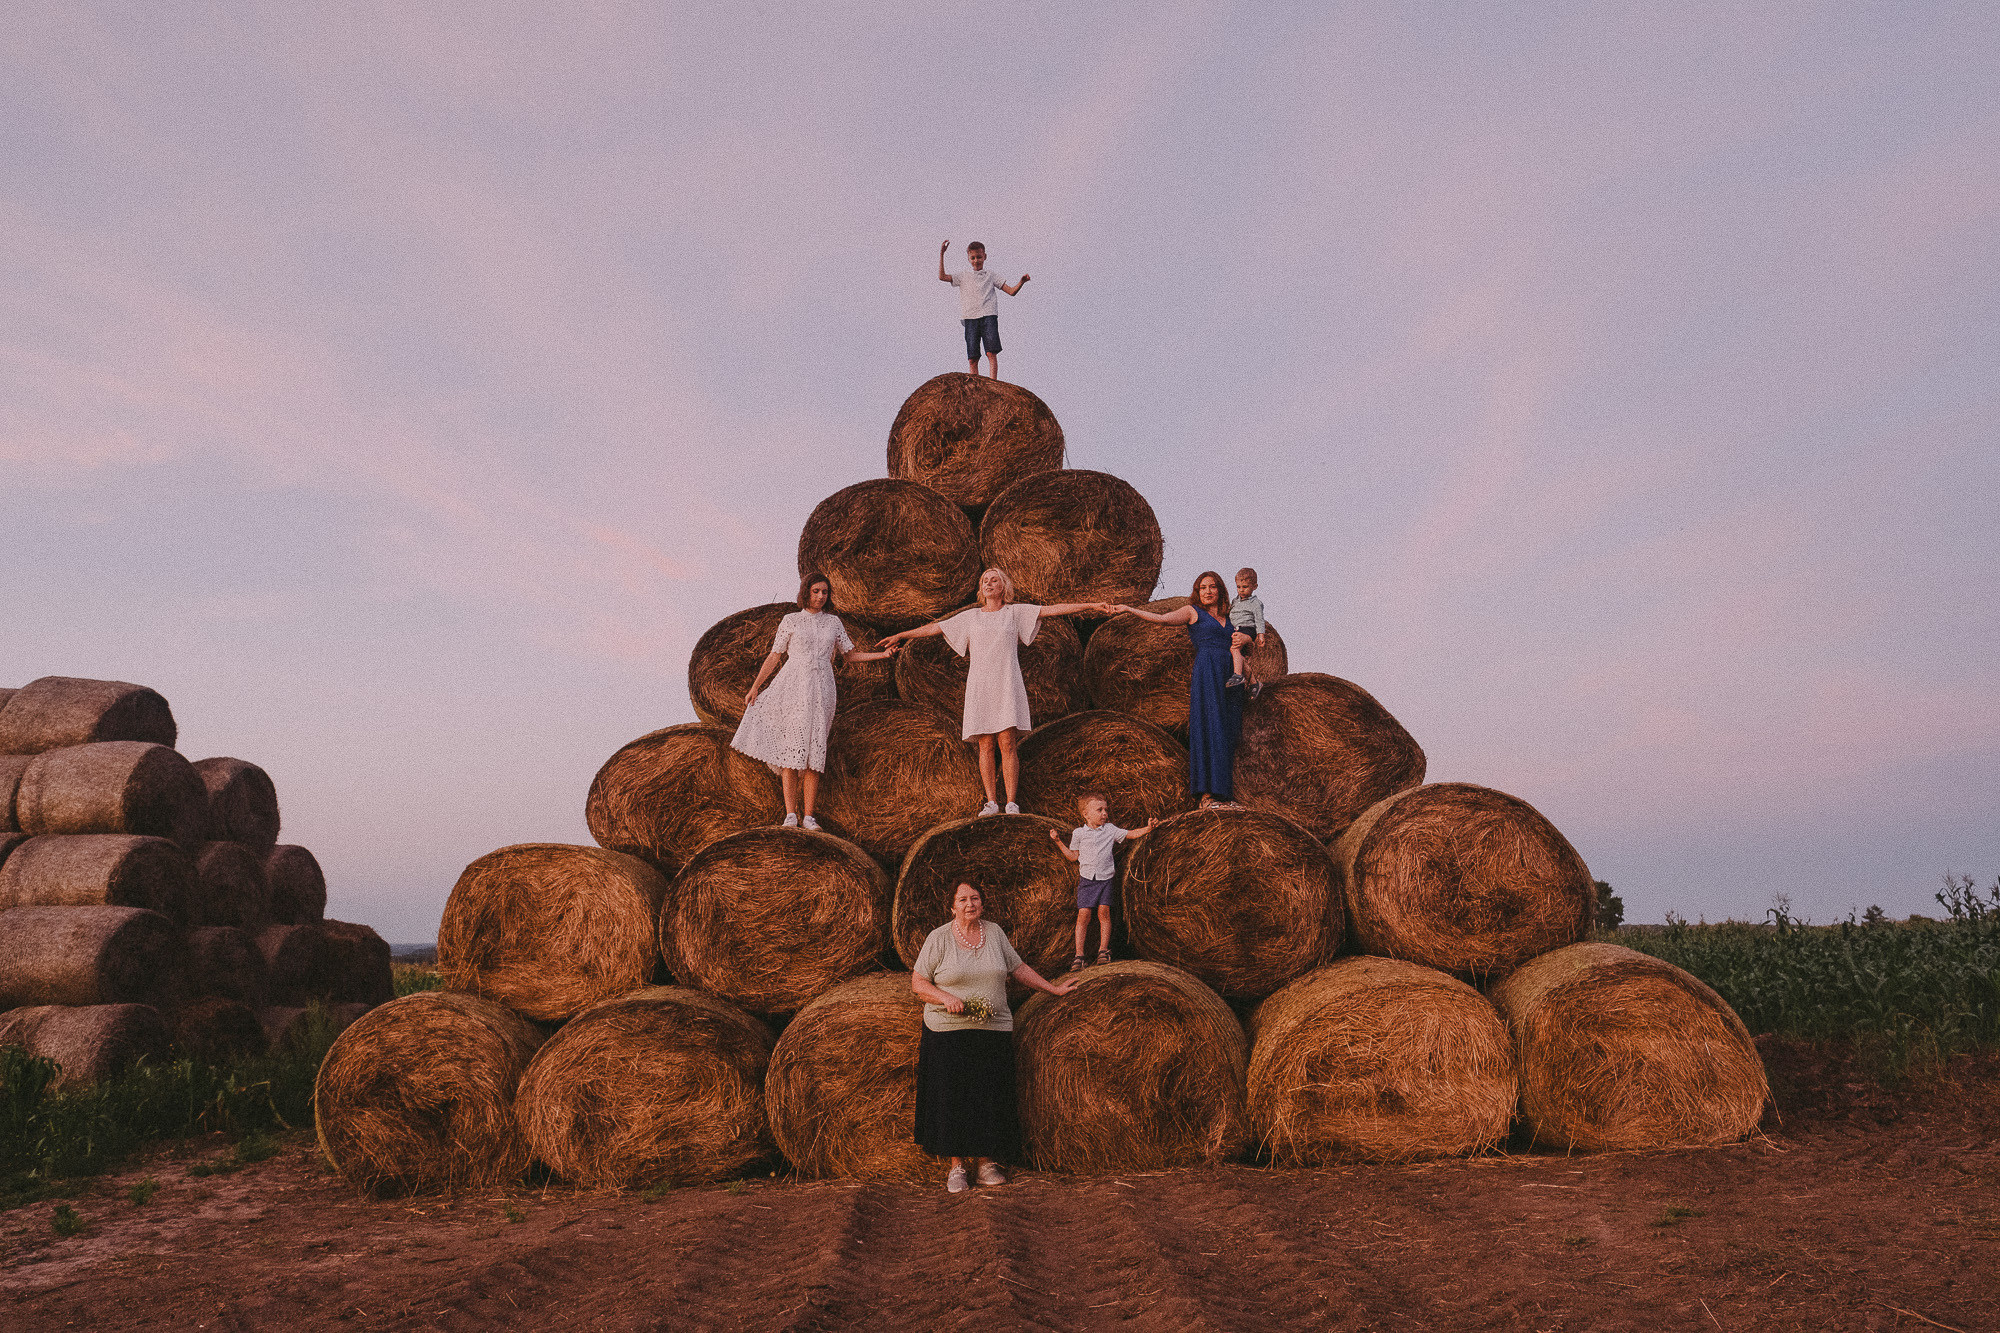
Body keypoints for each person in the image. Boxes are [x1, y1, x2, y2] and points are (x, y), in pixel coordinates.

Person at [880, 569, 1110, 816]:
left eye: (994, 580)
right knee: (985, 744)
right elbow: (935, 628)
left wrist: (1092, 605)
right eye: (984, 581)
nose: (989, 584)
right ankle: (991, 802)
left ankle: (1011, 802)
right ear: (981, 589)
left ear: (1004, 586)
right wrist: (901, 634)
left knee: (1008, 742)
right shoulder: (971, 617)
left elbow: (1053, 609)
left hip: (1006, 682)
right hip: (980, 685)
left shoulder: (1014, 612)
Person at [911, 881, 1076, 1191]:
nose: (969, 903)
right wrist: (945, 997)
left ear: (982, 905)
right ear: (953, 906)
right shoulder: (939, 938)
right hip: (948, 1030)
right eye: (963, 899)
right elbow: (918, 983)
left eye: (975, 898)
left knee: (989, 1096)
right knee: (954, 1098)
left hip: (993, 1027)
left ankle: (987, 1163)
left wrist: (1053, 989)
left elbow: (1018, 968)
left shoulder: (995, 933)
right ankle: (957, 1166)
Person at [732, 574, 899, 828]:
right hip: (793, 686)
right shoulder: (790, 620)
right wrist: (756, 687)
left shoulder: (834, 623)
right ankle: (791, 814)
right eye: (816, 591)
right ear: (806, 592)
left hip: (822, 689)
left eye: (825, 592)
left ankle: (809, 816)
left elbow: (850, 656)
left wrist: (883, 655)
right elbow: (774, 656)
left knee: (814, 752)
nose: (821, 596)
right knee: (791, 749)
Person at [1111, 571, 1250, 807]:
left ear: (1220, 591)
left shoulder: (1231, 617)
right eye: (1202, 587)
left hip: (1231, 675)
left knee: (1228, 732)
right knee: (1209, 728)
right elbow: (1163, 619)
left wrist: (1248, 654)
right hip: (1208, 672)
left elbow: (1245, 644)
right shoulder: (1192, 612)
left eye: (1212, 587)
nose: (1207, 591)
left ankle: (1226, 795)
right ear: (1197, 592)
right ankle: (1206, 796)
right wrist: (1129, 609)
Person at [1049, 794, 1157, 970]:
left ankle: (1103, 950)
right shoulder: (1079, 833)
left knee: (1103, 912)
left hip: (1106, 878)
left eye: (1106, 809)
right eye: (1099, 810)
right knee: (1083, 914)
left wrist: (1148, 828)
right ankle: (1079, 954)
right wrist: (1058, 841)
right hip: (1087, 879)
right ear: (1086, 814)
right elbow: (1072, 856)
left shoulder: (1110, 830)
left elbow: (1130, 834)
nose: (1104, 813)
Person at [938, 239, 1029, 380]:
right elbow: (942, 277)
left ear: (985, 256)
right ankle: (976, 387)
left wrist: (1021, 282)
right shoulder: (963, 276)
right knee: (972, 357)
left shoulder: (991, 275)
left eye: (979, 257)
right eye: (973, 258)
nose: (976, 260)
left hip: (988, 315)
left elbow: (1011, 291)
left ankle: (993, 382)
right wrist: (942, 254)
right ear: (968, 258)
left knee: (991, 353)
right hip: (970, 317)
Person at [1226, 566, 1269, 698]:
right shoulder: (1235, 601)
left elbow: (1259, 620)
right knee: (1239, 657)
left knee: (1234, 649)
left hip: (1247, 629)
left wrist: (1261, 635)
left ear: (1254, 586)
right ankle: (1254, 683)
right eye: (1238, 587)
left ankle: (1238, 675)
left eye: (1245, 587)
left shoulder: (1256, 603)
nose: (1241, 590)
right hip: (1236, 629)